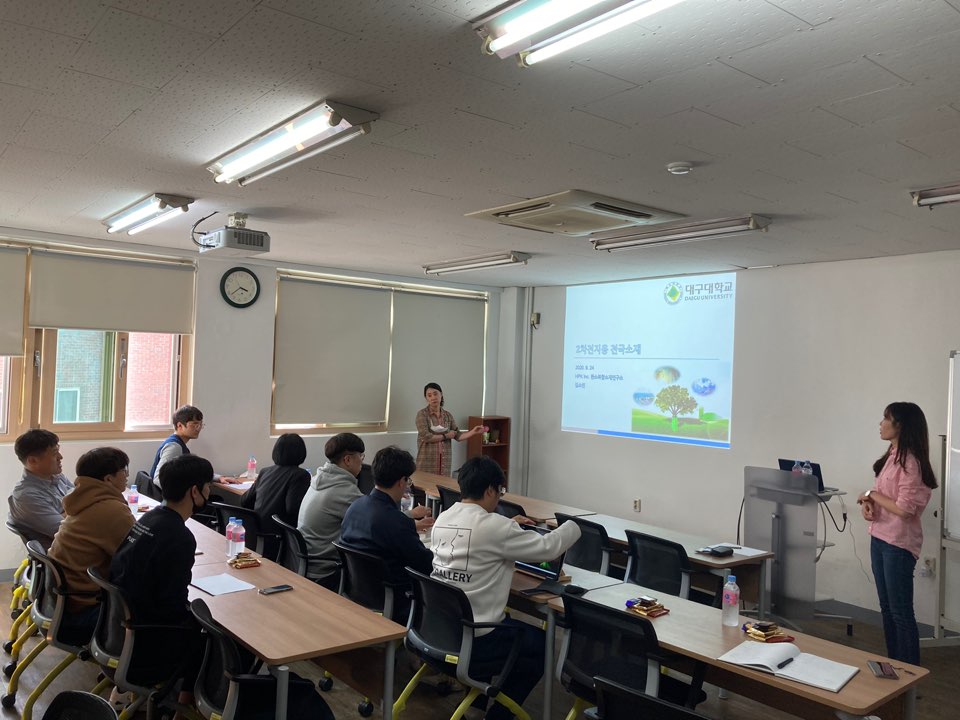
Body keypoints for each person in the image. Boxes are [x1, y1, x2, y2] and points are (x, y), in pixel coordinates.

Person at [430, 456, 580, 718]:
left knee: (502, 622)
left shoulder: (444, 516)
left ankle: (475, 706)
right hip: (474, 640)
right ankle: (499, 715)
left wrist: (510, 526)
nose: (499, 497)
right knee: (540, 644)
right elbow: (549, 548)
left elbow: (483, 536)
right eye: (500, 491)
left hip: (439, 631)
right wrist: (574, 524)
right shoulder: (496, 527)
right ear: (490, 490)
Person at [111, 454, 212, 709]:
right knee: (212, 635)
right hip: (149, 639)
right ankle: (185, 707)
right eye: (207, 486)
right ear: (194, 491)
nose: (209, 491)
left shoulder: (149, 518)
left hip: (120, 628)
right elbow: (173, 604)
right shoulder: (179, 536)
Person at [858, 402, 937, 665]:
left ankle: (909, 673)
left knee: (901, 612)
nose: (880, 424)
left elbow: (904, 509)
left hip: (898, 544)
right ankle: (894, 666)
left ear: (900, 425)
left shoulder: (911, 462)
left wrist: (872, 495)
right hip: (880, 537)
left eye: (886, 419)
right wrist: (868, 502)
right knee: (887, 608)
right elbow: (883, 496)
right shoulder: (892, 456)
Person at [340, 446, 435, 623]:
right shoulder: (396, 521)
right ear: (401, 482)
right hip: (395, 601)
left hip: (357, 594)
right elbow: (425, 566)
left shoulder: (355, 507)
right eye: (408, 480)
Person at [48, 447, 135, 639]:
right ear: (108, 479)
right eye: (124, 470)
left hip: (64, 604)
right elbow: (139, 559)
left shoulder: (82, 500)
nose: (127, 475)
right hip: (86, 610)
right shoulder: (111, 510)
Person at [297, 433, 366, 590]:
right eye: (361, 456)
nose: (362, 461)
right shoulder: (343, 490)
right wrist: (410, 517)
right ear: (347, 460)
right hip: (326, 570)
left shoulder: (320, 479)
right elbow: (375, 516)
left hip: (307, 562)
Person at [240, 433, 310, 558]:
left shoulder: (265, 471)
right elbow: (293, 509)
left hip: (258, 532)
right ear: (301, 453)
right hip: (280, 536)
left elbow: (245, 501)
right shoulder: (300, 475)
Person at [8, 429, 74, 549]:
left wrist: (67, 513)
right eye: (54, 453)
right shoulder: (27, 497)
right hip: (66, 551)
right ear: (33, 461)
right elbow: (68, 532)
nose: (60, 457)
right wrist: (77, 509)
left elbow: (83, 499)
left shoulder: (57, 476)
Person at [149, 404, 239, 491]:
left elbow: (192, 472)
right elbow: (158, 479)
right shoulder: (174, 447)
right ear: (179, 425)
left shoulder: (179, 444)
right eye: (195, 424)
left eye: (200, 424)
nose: (198, 428)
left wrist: (219, 478)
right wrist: (182, 495)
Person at [415, 382, 485, 476]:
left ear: (441, 394)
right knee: (425, 485)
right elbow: (426, 437)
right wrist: (446, 436)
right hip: (427, 463)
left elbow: (457, 436)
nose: (433, 397)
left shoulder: (447, 415)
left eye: (435, 394)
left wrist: (473, 432)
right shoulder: (422, 414)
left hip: (444, 464)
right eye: (429, 395)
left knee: (443, 485)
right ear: (426, 398)